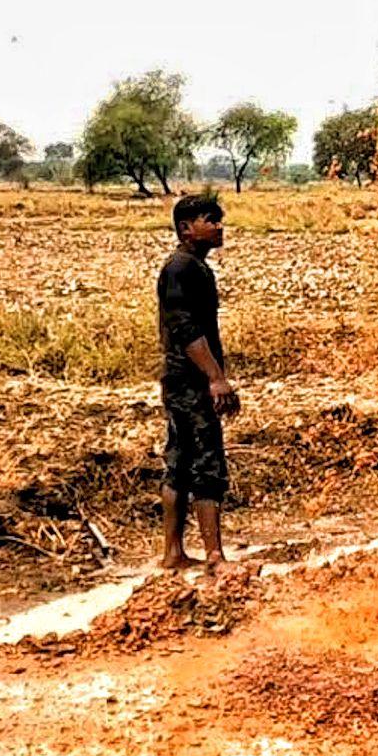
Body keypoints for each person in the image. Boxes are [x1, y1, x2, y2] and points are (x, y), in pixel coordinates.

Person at [157, 193, 241, 571]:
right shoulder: (181, 268)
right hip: (189, 381)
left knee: (180, 461)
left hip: (182, 380)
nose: (219, 226)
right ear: (186, 228)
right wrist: (216, 378)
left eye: (219, 219)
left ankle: (174, 554)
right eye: (210, 219)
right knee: (206, 463)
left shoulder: (193, 266)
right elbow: (185, 329)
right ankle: (214, 556)